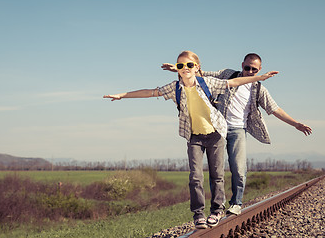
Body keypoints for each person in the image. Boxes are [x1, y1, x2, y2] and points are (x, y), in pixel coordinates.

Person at [104, 51, 278, 228]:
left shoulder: (207, 82)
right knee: (195, 177)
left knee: (217, 176)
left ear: (197, 67)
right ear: (177, 69)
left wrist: (259, 78)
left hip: (215, 135)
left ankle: (217, 211)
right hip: (194, 137)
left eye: (188, 65)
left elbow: (233, 82)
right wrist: (122, 95)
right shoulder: (175, 87)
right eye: (180, 66)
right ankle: (198, 215)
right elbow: (150, 92)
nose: (184, 68)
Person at [161, 53, 312, 216]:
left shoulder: (259, 89)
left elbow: (275, 109)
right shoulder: (228, 74)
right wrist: (179, 68)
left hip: (238, 130)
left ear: (259, 70)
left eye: (254, 69)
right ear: (242, 65)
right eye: (247, 68)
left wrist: (296, 124)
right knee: (215, 170)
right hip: (218, 127)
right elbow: (202, 74)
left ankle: (236, 203)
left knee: (239, 168)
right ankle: (218, 205)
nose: (250, 71)